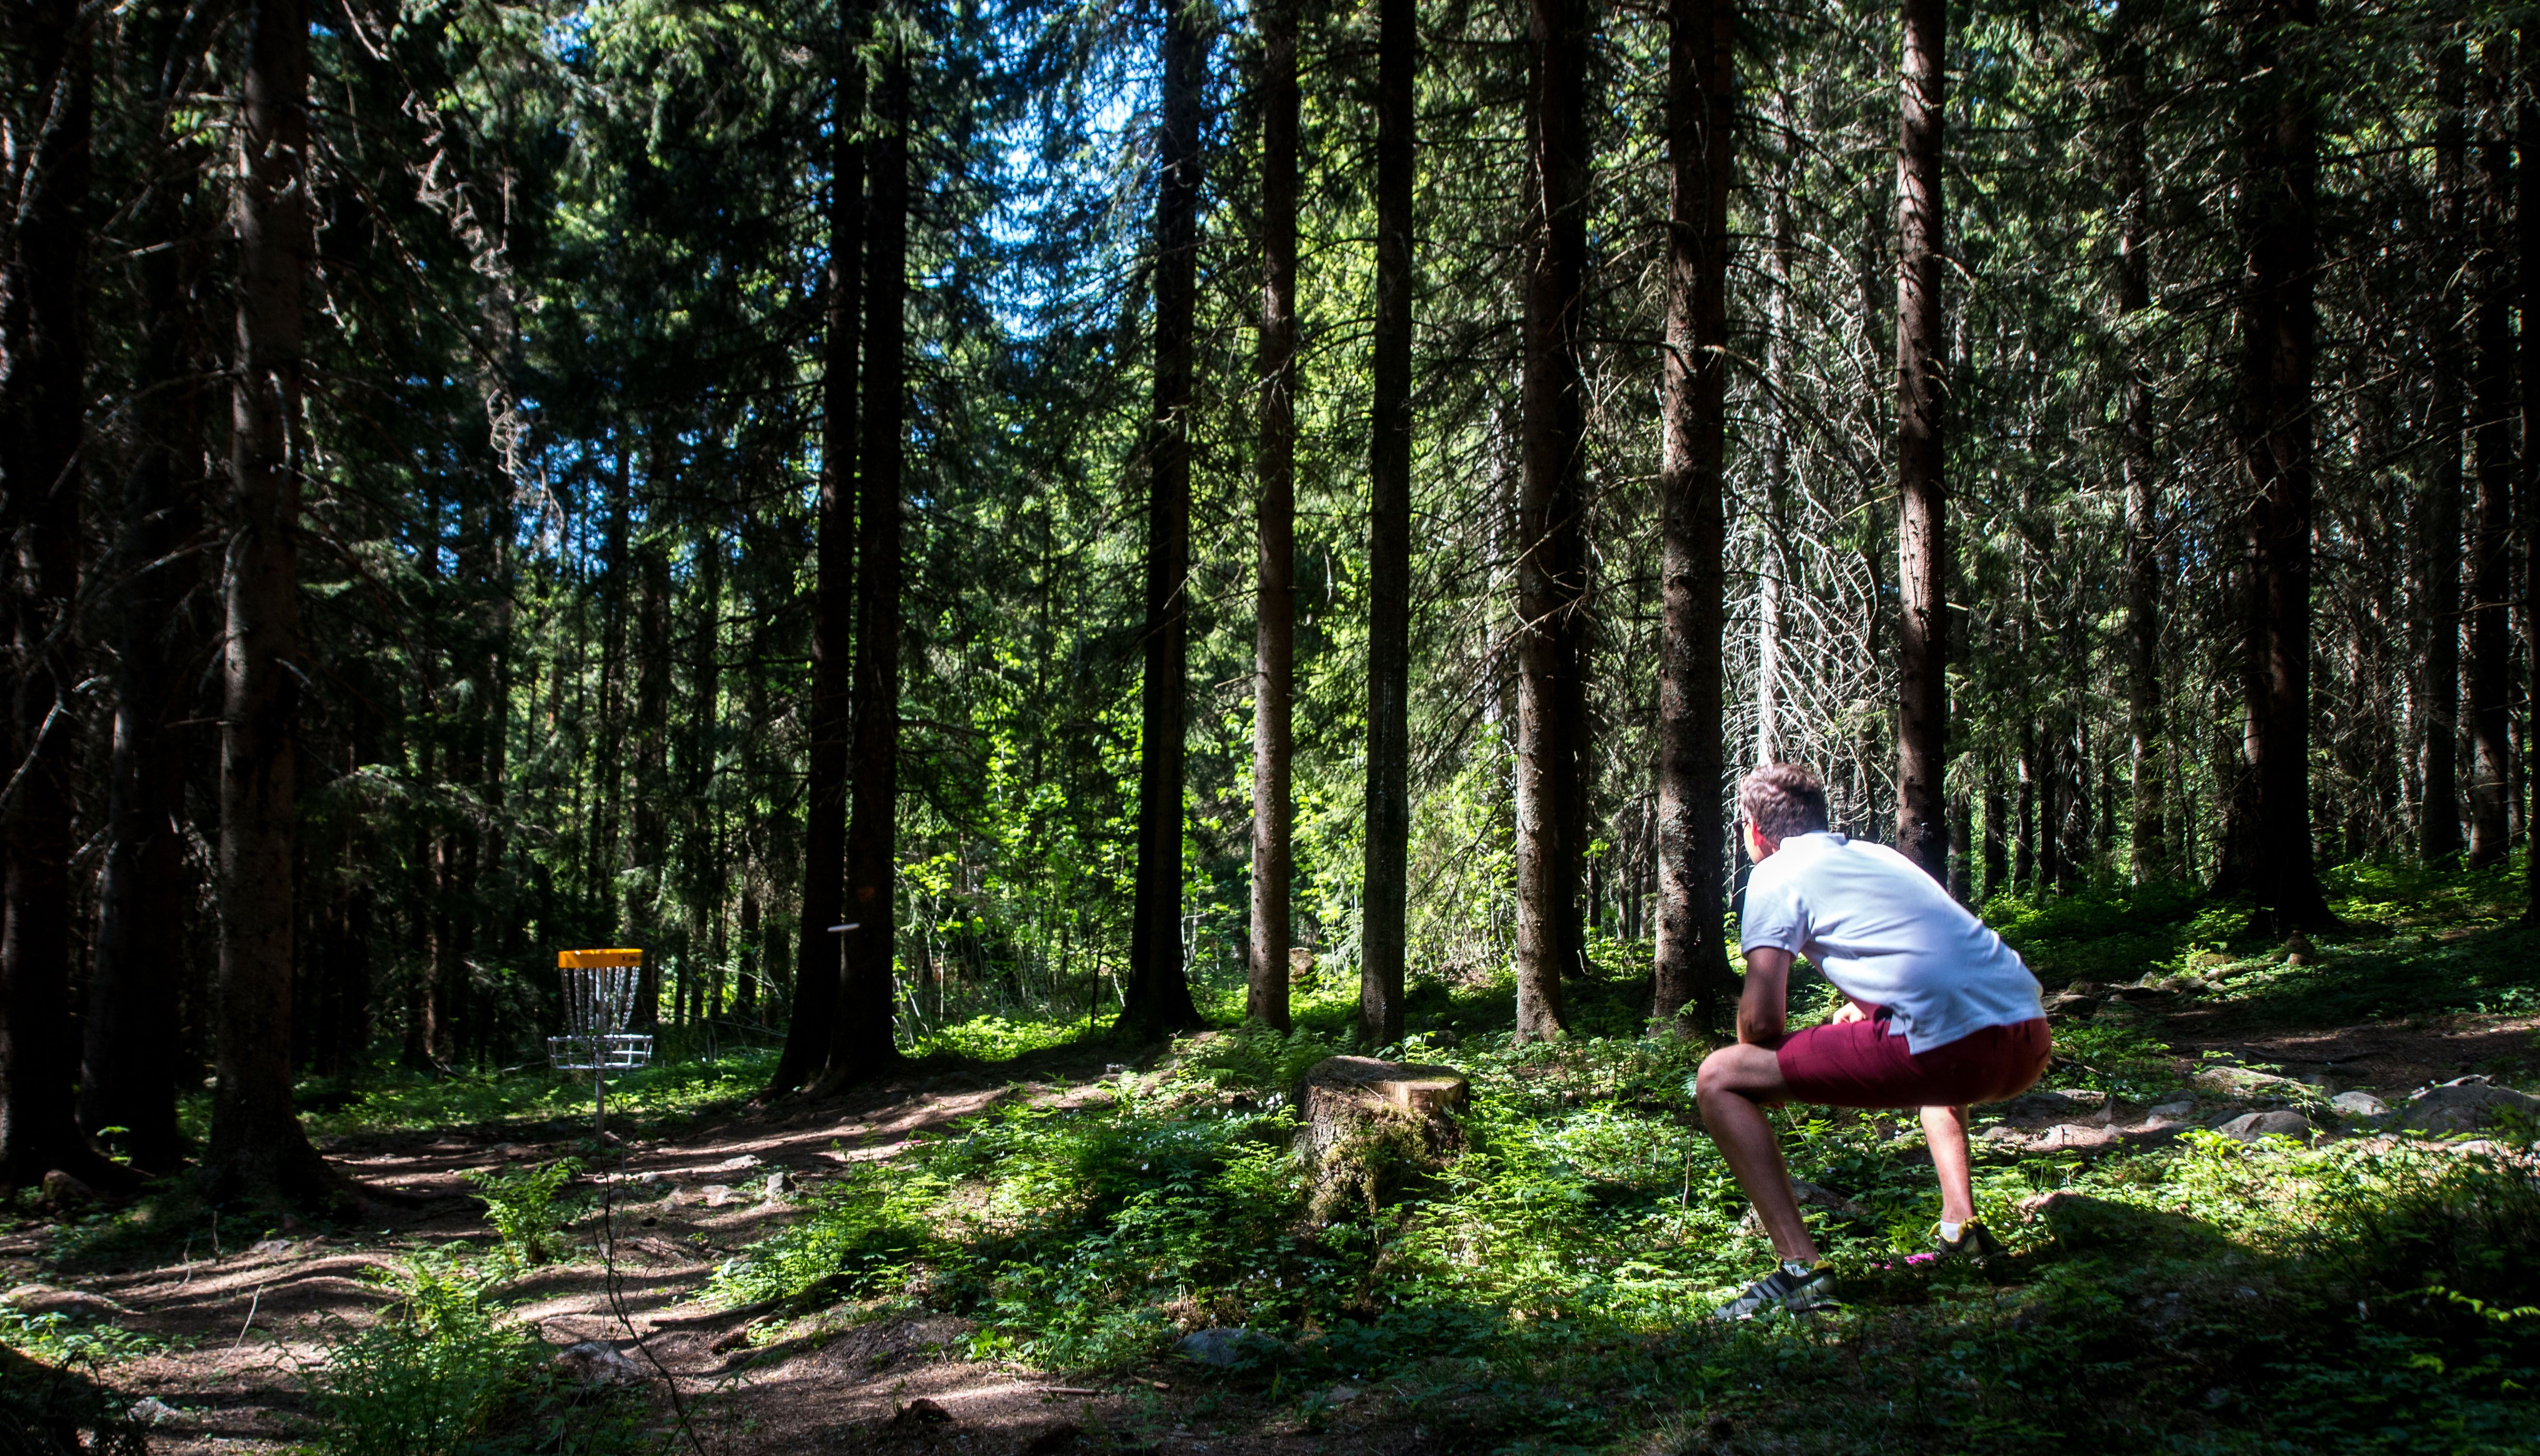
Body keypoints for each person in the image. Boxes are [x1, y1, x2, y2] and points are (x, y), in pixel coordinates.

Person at [1697, 762, 2049, 1320]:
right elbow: (1927, 963)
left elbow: (1760, 1025)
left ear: (1753, 828)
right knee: (1928, 1027)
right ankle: (1962, 1229)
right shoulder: (1877, 857)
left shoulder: (1774, 874)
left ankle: (1800, 1271)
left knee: (1719, 1078)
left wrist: (1757, 1062)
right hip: (2027, 1038)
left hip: (1953, 1051)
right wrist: (1863, 1016)